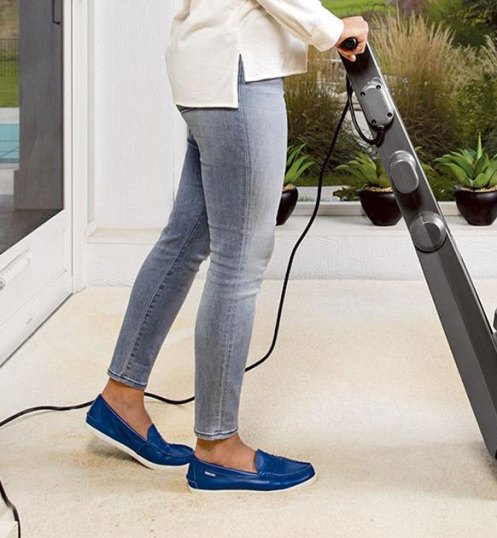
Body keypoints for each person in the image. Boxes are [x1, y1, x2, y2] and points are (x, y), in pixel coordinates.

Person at [83, 0, 368, 493]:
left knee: (187, 241)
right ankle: (218, 448)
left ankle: (121, 396)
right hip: (237, 72)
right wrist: (331, 28)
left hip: (206, 67)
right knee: (239, 260)